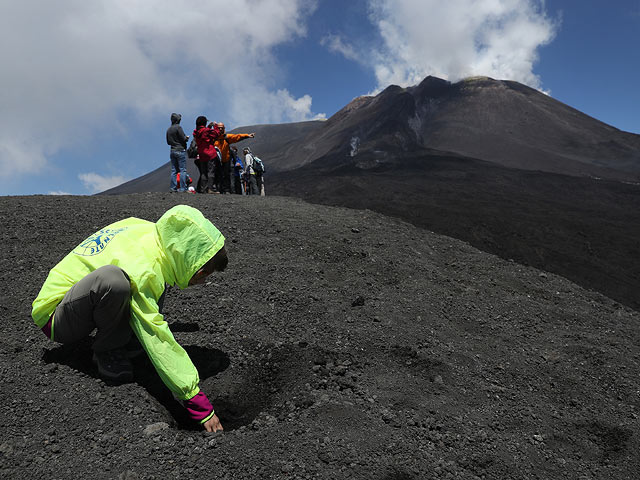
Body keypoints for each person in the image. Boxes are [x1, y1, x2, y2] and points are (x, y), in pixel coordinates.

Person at [32, 205, 227, 433]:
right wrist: (196, 402)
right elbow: (156, 334)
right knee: (116, 282)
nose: (201, 282)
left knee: (150, 282)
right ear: (199, 270)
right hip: (56, 316)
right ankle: (108, 352)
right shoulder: (144, 267)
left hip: (81, 299)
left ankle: (128, 340)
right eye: (203, 277)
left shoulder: (150, 234)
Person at [213, 124, 255, 194]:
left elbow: (237, 137)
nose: (220, 129)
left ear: (224, 129)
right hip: (217, 160)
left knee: (226, 176)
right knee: (217, 175)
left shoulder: (227, 137)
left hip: (226, 160)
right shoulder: (213, 138)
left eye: (222, 128)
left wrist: (247, 135)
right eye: (219, 128)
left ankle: (226, 190)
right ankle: (219, 190)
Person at [192, 116, 223, 194]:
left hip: (202, 154)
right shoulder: (206, 131)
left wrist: (209, 126)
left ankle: (203, 189)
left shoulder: (196, 132)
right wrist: (215, 126)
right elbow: (216, 134)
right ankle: (211, 189)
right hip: (210, 153)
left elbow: (204, 133)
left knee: (203, 172)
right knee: (211, 171)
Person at [166, 113, 189, 192]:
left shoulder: (169, 129)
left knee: (174, 170)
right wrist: (186, 138)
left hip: (172, 150)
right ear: (178, 120)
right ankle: (183, 188)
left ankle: (173, 188)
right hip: (180, 150)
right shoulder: (178, 127)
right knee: (182, 170)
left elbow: (168, 142)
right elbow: (183, 138)